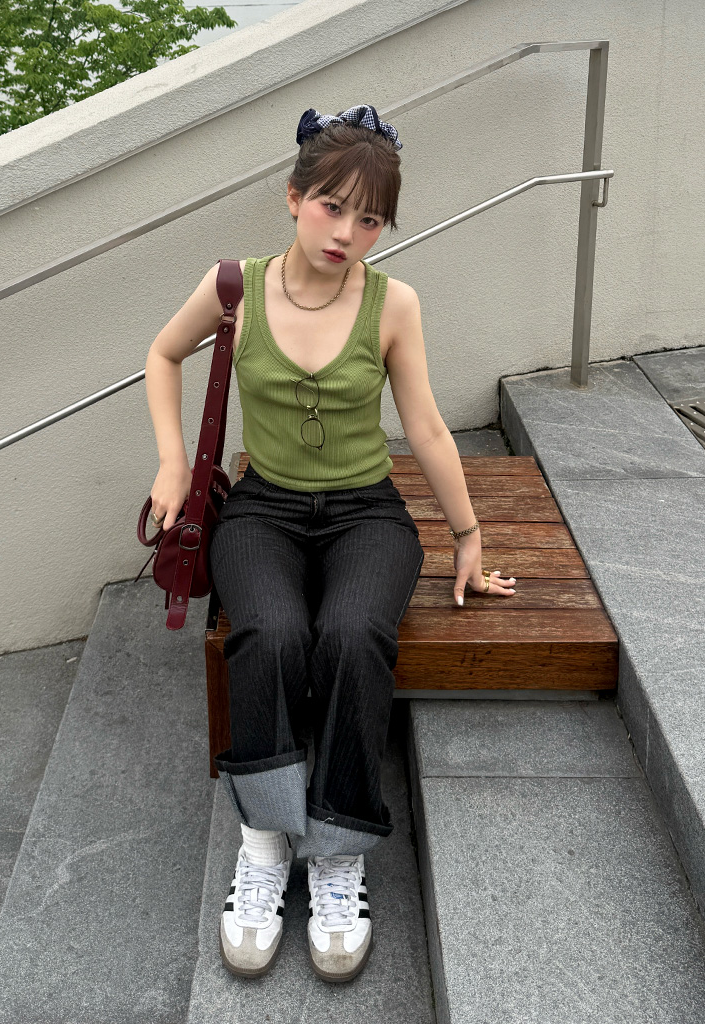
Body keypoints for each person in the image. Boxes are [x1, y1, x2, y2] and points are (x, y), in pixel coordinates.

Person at [143, 103, 516, 984]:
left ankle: (340, 848)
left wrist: (467, 536)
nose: (348, 233)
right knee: (269, 631)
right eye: (333, 207)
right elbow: (161, 355)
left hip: (365, 513)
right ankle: (266, 842)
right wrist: (171, 463)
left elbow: (425, 426)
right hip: (264, 510)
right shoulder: (234, 288)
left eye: (371, 219)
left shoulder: (394, 304)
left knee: (352, 633)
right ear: (293, 197)